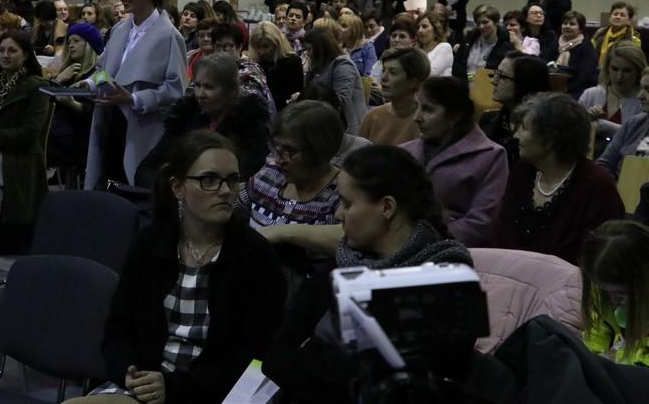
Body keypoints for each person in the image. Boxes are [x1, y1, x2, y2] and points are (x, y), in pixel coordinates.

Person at [71, 131, 285, 404]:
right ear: (178, 188)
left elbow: (256, 356)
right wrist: (129, 371)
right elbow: (118, 328)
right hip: (144, 385)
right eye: (209, 180)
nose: (225, 191)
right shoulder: (150, 243)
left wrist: (173, 387)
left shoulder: (255, 256)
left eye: (232, 180)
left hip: (213, 394)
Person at [262, 145, 473, 404]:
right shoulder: (345, 261)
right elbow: (275, 359)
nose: (338, 214)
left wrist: (315, 353)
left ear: (386, 207)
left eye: (347, 203)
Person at [84, 0, 186, 190]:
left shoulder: (169, 36)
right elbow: (102, 70)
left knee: (132, 189)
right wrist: (88, 83)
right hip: (109, 119)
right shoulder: (120, 30)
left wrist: (134, 98)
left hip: (142, 127)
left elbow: (176, 89)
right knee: (107, 184)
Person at [493, 93, 624, 265]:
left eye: (524, 128)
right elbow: (499, 235)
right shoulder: (522, 171)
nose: (516, 136)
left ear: (550, 138)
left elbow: (599, 260)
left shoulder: (597, 187)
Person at [237, 102, 345, 282]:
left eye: (290, 151)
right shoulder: (270, 174)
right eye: (276, 148)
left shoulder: (342, 190)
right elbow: (234, 204)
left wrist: (282, 232)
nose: (279, 160)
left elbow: (351, 239)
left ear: (321, 150)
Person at [402, 76, 509, 246]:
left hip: (456, 252)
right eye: (417, 107)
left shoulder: (491, 156)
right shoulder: (404, 152)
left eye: (428, 110)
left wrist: (425, 240)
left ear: (455, 116)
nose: (417, 117)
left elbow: (482, 222)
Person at [136, 54, 270, 188]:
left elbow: (242, 178)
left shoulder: (250, 125)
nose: (200, 94)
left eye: (208, 87)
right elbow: (148, 167)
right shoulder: (184, 117)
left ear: (230, 90)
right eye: (197, 85)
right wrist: (168, 193)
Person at [0, 31, 52, 252]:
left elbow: (29, 133)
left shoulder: (36, 86)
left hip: (16, 154)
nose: (5, 55)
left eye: (12, 51)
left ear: (26, 55)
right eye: (1, 50)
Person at [579, 220, 649, 367]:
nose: (613, 300)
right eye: (605, 291)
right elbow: (597, 333)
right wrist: (590, 357)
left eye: (620, 293)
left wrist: (622, 358)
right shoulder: (601, 288)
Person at [46, 23, 103, 179]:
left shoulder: (100, 74)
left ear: (89, 45)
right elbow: (46, 101)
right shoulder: (68, 71)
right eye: (69, 42)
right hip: (61, 131)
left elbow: (100, 110)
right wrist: (59, 79)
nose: (71, 45)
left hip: (84, 135)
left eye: (76, 41)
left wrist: (73, 104)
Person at [480, 52, 550, 163]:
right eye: (496, 73)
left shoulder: (544, 131)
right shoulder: (488, 120)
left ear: (525, 83)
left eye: (502, 77)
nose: (494, 81)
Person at [359, 47, 431, 146]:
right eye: (383, 70)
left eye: (393, 72)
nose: (383, 78)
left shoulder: (426, 121)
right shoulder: (372, 117)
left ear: (412, 82)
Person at [579, 41, 646, 146]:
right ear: (607, 68)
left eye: (627, 71)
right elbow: (572, 131)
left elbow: (639, 138)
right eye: (614, 69)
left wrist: (603, 126)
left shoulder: (644, 101)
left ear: (638, 72)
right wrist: (586, 120)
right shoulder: (590, 95)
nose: (619, 77)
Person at [302, 27, 367, 135]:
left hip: (348, 128)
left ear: (320, 49)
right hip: (325, 123)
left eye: (309, 49)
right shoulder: (318, 66)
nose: (307, 53)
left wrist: (307, 101)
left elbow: (341, 100)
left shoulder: (343, 65)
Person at [210, 22, 276, 118]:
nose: (222, 51)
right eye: (218, 46)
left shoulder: (250, 72)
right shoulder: (211, 68)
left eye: (228, 46)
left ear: (239, 47)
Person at [596, 67, 649, 178]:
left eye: (648, 90)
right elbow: (604, 166)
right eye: (641, 88)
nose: (640, 96)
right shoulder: (633, 124)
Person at [248, 21, 305, 112]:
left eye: (266, 47)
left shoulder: (293, 62)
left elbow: (295, 95)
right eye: (258, 47)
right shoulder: (256, 64)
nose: (261, 52)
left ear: (276, 44)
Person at [452, 4, 512, 82]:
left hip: (489, 87)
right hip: (464, 84)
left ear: (496, 22)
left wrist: (475, 78)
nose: (481, 26)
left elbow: (502, 75)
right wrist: (472, 78)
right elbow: (458, 68)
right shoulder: (469, 40)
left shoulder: (505, 46)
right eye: (478, 23)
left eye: (485, 22)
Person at [552, 9, 598, 98]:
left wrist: (565, 89)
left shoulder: (586, 47)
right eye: (565, 23)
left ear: (580, 29)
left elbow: (584, 75)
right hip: (554, 87)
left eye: (572, 24)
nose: (567, 26)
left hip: (577, 90)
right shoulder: (555, 43)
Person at [368, 13, 417, 88]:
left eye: (402, 36)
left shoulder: (415, 64)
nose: (396, 40)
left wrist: (382, 90)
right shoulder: (382, 60)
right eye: (394, 36)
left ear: (412, 42)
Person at [591, 1, 642, 70]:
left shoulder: (634, 39)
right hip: (596, 70)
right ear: (610, 18)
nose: (618, 17)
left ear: (629, 21)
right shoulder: (600, 33)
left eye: (622, 15)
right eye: (615, 14)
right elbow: (590, 53)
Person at [417, 10, 453, 77]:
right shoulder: (417, 49)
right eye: (418, 27)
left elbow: (431, 73)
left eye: (424, 26)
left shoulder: (444, 47)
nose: (420, 30)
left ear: (435, 30)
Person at [338, 12, 376, 77]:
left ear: (354, 30)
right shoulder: (337, 49)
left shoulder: (367, 47)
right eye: (338, 25)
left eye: (344, 26)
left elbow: (369, 76)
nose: (339, 29)